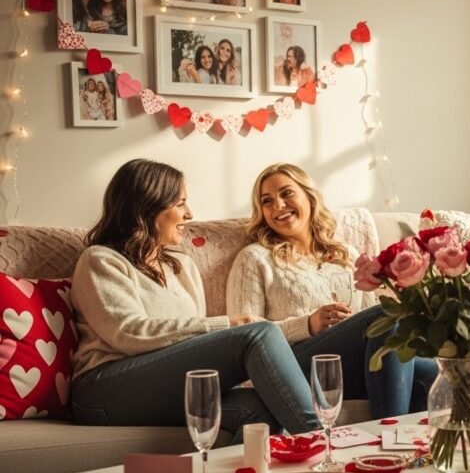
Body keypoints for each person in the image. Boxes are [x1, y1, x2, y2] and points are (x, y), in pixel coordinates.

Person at [70, 159, 323, 441]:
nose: (189, 214)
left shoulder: (183, 267)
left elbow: (191, 344)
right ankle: (321, 441)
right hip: (104, 389)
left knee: (261, 410)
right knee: (257, 333)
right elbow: (128, 332)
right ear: (149, 206)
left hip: (165, 385)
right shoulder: (101, 261)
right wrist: (226, 325)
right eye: (180, 203)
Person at [227, 164, 437, 418]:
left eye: (286, 193)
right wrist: (308, 324)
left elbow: (374, 319)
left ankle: (408, 438)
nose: (278, 205)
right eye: (267, 201)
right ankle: (389, 436)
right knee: (386, 316)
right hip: (291, 366)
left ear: (309, 197)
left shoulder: (344, 253)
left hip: (351, 362)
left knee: (430, 370)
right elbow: (243, 338)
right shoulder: (255, 258)